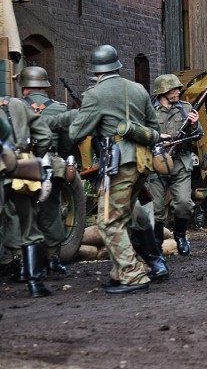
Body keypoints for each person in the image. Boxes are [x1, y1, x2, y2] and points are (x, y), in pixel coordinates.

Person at [69, 45, 161, 294]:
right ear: (117, 66)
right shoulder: (138, 88)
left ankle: (132, 274)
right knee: (121, 218)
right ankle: (119, 271)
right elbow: (154, 127)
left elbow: (76, 132)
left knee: (108, 221)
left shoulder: (95, 94)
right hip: (142, 162)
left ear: (96, 71)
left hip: (118, 163)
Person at [18, 65, 74, 275]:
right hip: (51, 164)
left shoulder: (15, 107)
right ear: (44, 87)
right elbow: (68, 142)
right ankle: (52, 259)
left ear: (24, 87)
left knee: (22, 213)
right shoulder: (60, 108)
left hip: (22, 165)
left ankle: (22, 263)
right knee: (52, 211)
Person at [1, 94, 52, 297]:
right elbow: (45, 136)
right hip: (22, 167)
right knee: (30, 226)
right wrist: (35, 157)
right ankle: (35, 285)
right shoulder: (17, 104)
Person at [148, 73, 202, 256]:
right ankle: (156, 244)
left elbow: (199, 134)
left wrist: (194, 125)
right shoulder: (149, 110)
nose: (177, 92)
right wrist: (157, 138)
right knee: (156, 208)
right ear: (162, 92)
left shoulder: (186, 108)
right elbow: (142, 133)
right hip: (156, 162)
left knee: (184, 204)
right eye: (173, 89)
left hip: (180, 162)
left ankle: (180, 235)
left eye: (178, 88)